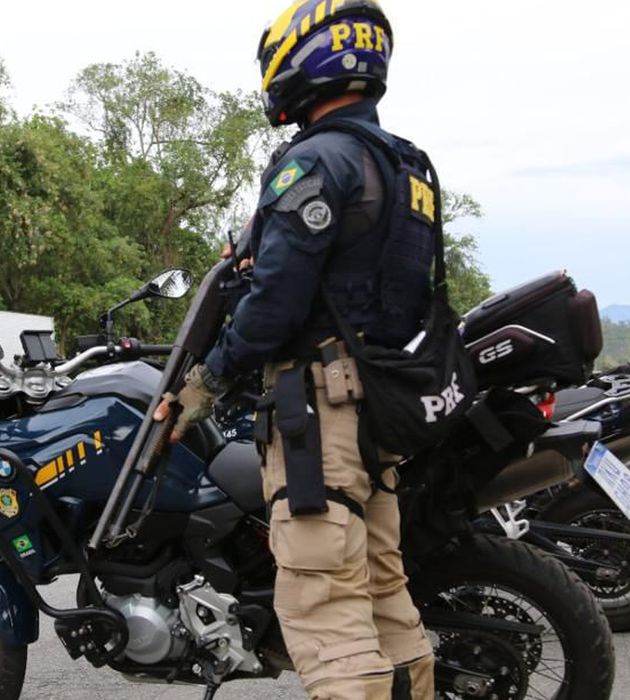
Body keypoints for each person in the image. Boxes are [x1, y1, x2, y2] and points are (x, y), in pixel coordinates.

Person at [155, 2, 436, 698]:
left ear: (306, 62)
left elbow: (274, 308)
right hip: (381, 413)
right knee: (385, 601)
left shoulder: (314, 162)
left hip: (321, 421)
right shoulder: (409, 169)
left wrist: (207, 382)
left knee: (326, 612)